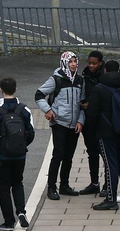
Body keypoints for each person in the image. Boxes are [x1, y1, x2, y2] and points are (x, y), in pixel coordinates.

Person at [34, 51, 85, 201]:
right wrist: (48, 110)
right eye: (71, 62)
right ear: (64, 63)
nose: (74, 64)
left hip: (74, 125)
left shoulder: (80, 80)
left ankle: (64, 185)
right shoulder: (56, 79)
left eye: (75, 61)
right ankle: (51, 187)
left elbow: (83, 104)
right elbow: (39, 95)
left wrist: (80, 121)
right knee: (58, 155)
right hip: (59, 123)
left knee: (69, 156)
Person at [0, 77, 36, 231]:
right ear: (16, 89)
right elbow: (31, 132)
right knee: (17, 182)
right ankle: (21, 211)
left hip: (2, 155)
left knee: (3, 187)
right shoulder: (24, 110)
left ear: (1, 90)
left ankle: (8, 222)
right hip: (20, 155)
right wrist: (21, 145)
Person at [86, 60, 120, 210]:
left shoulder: (99, 89)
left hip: (105, 133)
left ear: (105, 70)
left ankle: (111, 199)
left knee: (111, 165)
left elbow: (92, 114)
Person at [77, 51, 108, 195]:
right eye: (89, 63)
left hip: (101, 122)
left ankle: (108, 184)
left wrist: (92, 105)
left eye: (94, 63)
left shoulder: (105, 77)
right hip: (89, 121)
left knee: (105, 154)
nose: (91, 66)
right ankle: (94, 182)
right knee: (92, 152)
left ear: (100, 63)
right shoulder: (85, 76)